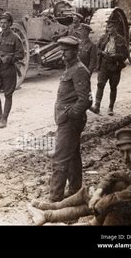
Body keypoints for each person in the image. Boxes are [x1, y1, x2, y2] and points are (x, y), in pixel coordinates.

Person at [28, 129, 131, 226]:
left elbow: (122, 197)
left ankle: (50, 215)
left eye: (130, 152)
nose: (125, 158)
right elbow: (114, 175)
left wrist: (98, 203)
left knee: (114, 201)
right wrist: (97, 193)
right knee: (98, 190)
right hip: (129, 209)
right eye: (122, 152)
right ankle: (50, 211)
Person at [50, 36, 92, 202]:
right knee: (73, 155)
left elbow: (86, 100)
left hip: (70, 122)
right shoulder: (70, 68)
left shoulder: (79, 70)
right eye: (62, 50)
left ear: (75, 51)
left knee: (59, 158)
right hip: (65, 120)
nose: (63, 54)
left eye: (66, 51)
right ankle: (75, 191)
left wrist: (70, 114)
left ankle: (55, 198)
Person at [0, 12, 24, 129]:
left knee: (8, 95)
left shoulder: (15, 38)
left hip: (8, 69)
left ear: (10, 24)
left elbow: (21, 54)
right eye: (1, 23)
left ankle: (4, 118)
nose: (3, 25)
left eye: (5, 23)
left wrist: (10, 58)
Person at [90, 18, 128, 116]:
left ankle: (110, 107)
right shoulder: (103, 38)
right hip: (104, 65)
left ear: (115, 27)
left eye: (110, 27)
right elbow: (97, 49)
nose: (108, 29)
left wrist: (116, 56)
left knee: (113, 87)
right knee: (100, 85)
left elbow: (125, 55)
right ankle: (97, 106)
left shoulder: (121, 40)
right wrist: (102, 53)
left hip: (115, 66)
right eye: (108, 27)